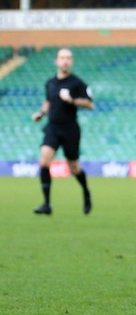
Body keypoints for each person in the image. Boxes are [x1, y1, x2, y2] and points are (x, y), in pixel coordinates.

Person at [31, 48, 94, 216]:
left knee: (74, 168)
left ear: (71, 62)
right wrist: (41, 113)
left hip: (70, 129)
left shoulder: (77, 83)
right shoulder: (50, 83)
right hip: (52, 127)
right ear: (56, 61)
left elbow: (90, 104)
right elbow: (47, 101)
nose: (65, 61)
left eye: (68, 58)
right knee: (44, 161)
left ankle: (86, 192)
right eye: (62, 58)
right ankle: (46, 204)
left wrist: (72, 100)